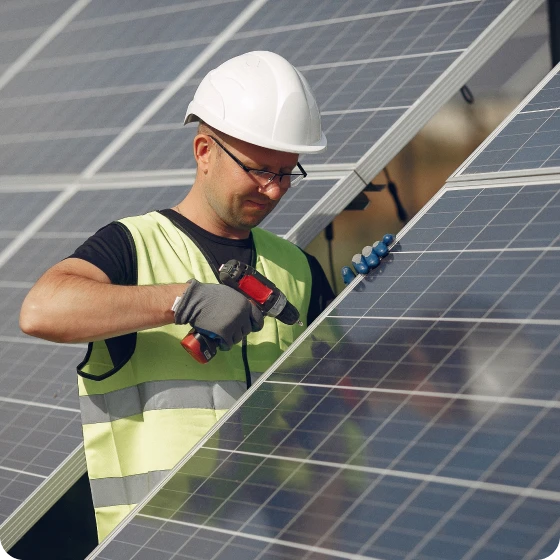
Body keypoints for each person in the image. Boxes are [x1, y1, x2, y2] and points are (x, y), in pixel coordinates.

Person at [19, 51, 387, 542]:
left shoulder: (297, 267)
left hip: (278, 540)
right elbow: (41, 310)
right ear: (203, 151)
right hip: (156, 543)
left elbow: (349, 398)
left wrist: (382, 294)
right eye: (258, 169)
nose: (273, 190)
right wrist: (181, 300)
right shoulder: (135, 246)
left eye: (286, 173)